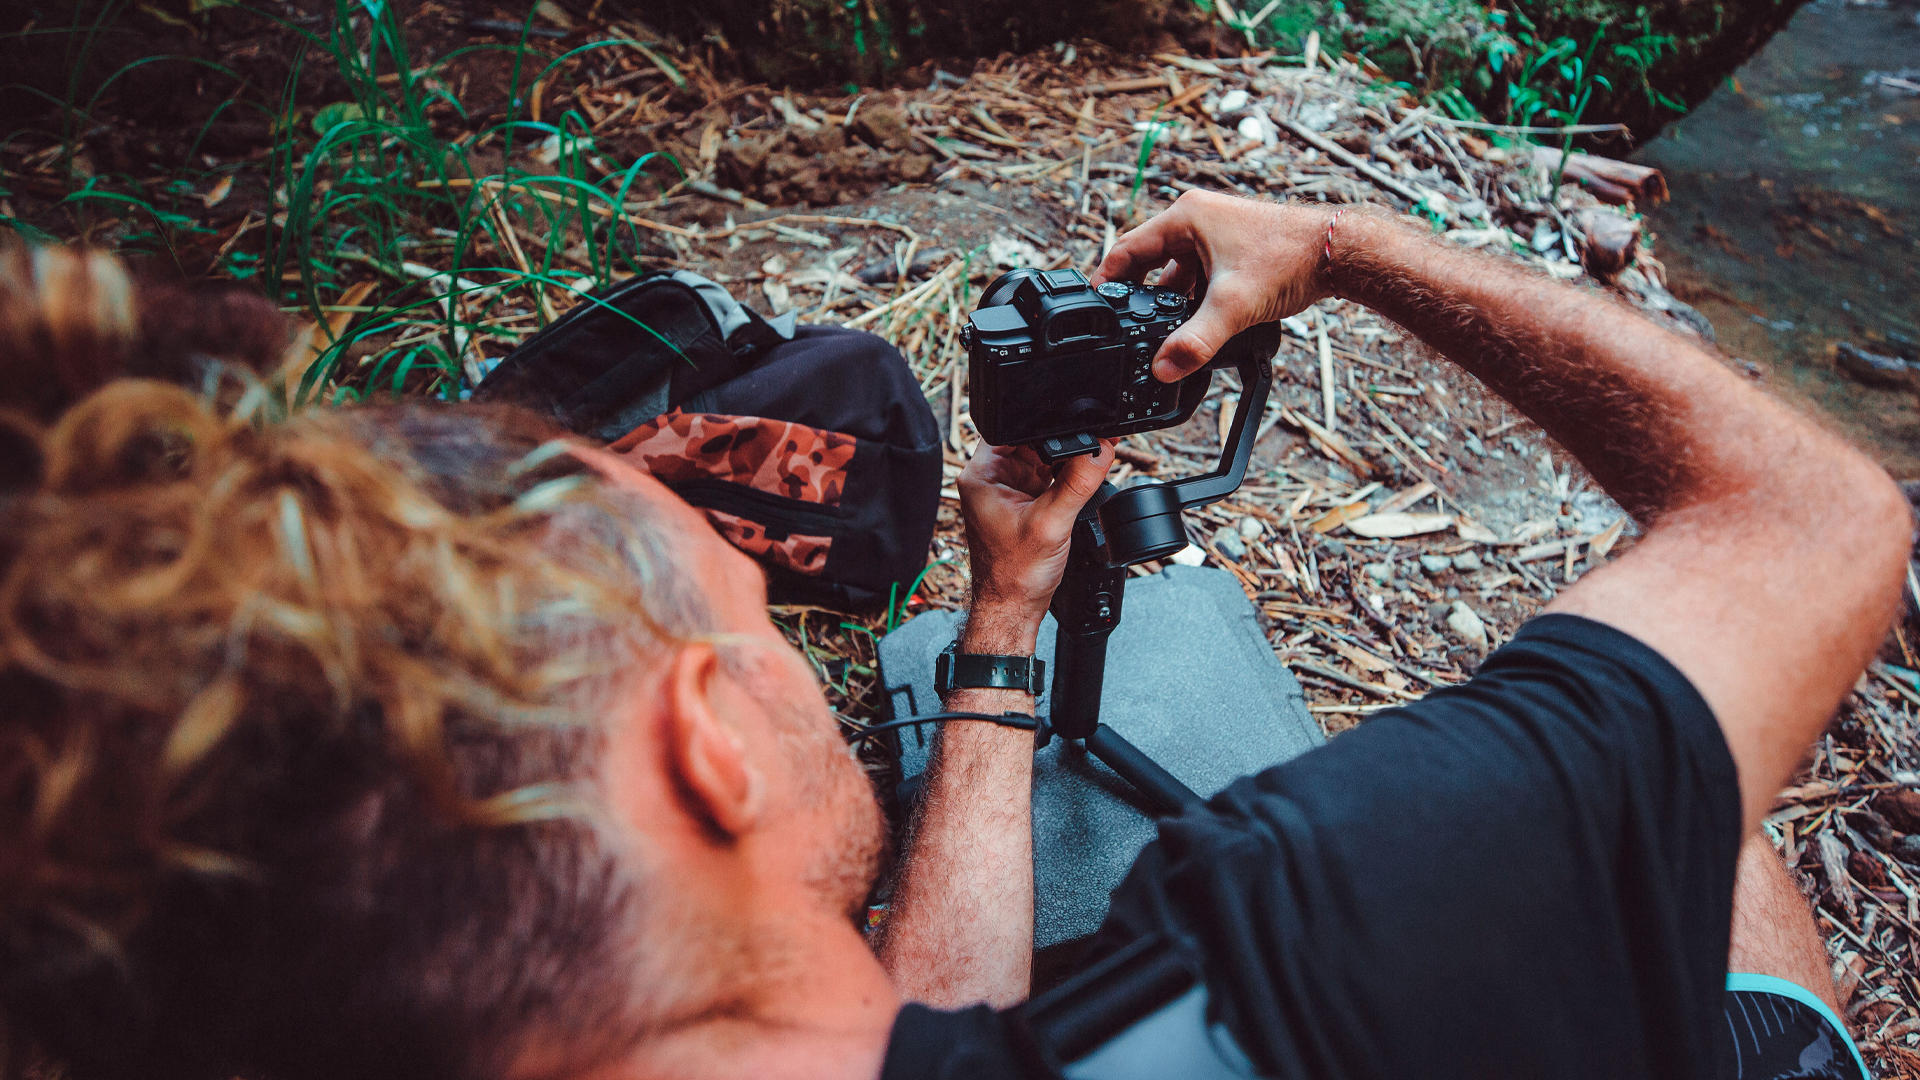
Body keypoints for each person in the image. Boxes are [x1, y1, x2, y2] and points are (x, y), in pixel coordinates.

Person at [0, 175, 1903, 1080]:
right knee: (1695, 808)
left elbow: (937, 1042)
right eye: (757, 615)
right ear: (708, 743)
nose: (800, 656)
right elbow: (1813, 523)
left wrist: (1002, 625)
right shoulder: (1317, 928)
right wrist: (1350, 247)